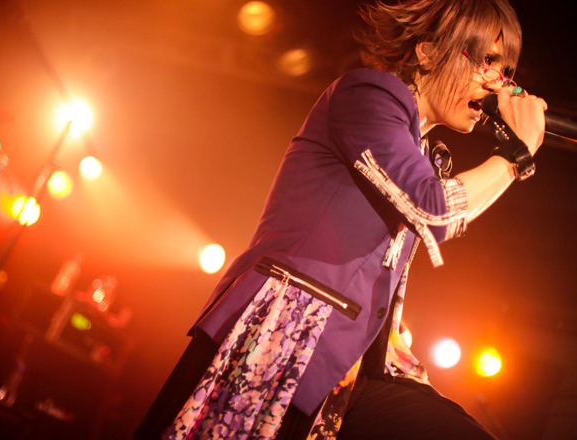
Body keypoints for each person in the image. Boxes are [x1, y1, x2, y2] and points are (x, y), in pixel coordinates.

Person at [135, 0, 548, 438]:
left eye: (505, 70)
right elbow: (430, 209)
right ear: (427, 52)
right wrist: (516, 155)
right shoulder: (368, 95)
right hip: (287, 337)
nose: (497, 83)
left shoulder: (421, 151)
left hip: (354, 362)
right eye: (485, 61)